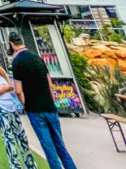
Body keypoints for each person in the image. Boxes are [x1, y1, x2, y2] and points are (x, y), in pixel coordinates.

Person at [10, 33, 77, 169]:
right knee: (60, 147)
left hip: (35, 110)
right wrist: (50, 101)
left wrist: (25, 105)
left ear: (12, 44)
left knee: (49, 149)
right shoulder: (38, 58)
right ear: (22, 41)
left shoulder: (17, 62)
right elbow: (50, 83)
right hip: (49, 107)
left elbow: (18, 90)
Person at [0, 51, 38, 169]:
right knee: (8, 138)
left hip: (11, 107)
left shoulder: (2, 72)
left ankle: (30, 163)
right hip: (1, 108)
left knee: (21, 135)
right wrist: (4, 88)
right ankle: (15, 165)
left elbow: (11, 86)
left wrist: (3, 88)